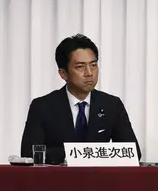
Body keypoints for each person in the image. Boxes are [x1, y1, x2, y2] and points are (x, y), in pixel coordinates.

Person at [20, 34, 141, 164]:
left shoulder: (112, 105)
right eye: (80, 67)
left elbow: (132, 153)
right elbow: (29, 154)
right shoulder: (43, 106)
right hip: (57, 181)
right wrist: (73, 155)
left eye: (93, 65)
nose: (89, 73)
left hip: (99, 181)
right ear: (63, 73)